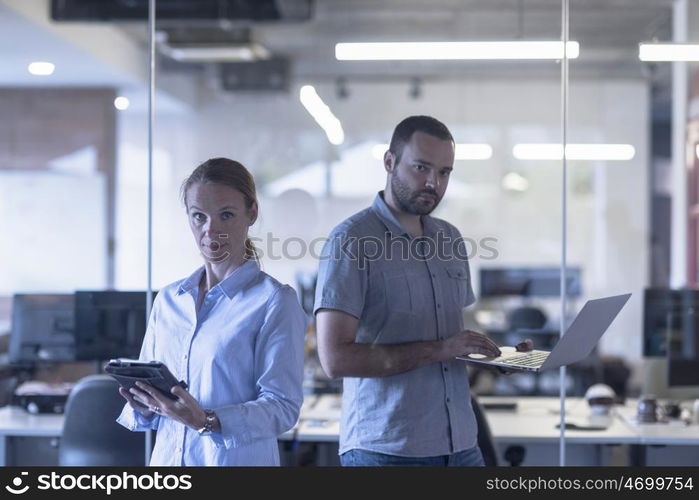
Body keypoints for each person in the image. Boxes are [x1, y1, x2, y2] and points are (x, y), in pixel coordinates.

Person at [314, 115, 502, 466]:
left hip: (461, 445)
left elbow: (452, 338)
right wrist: (441, 349)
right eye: (421, 167)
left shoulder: (450, 238)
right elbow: (334, 360)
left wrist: (498, 354)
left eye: (444, 172)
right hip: (387, 450)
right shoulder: (352, 240)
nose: (433, 182)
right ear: (390, 162)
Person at [117, 157, 306, 466]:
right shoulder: (168, 300)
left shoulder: (273, 301)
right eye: (198, 216)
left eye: (226, 215)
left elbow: (283, 407)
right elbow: (154, 411)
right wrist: (145, 402)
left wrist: (206, 420)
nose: (210, 229)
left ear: (252, 213)